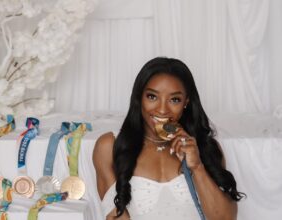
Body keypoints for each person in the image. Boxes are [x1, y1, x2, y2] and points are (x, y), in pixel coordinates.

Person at [93, 57, 245, 220]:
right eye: (152, 97)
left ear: (186, 102)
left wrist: (197, 167)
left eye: (174, 99)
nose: (162, 109)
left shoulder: (206, 147)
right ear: (139, 97)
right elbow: (115, 216)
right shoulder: (109, 146)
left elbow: (224, 219)